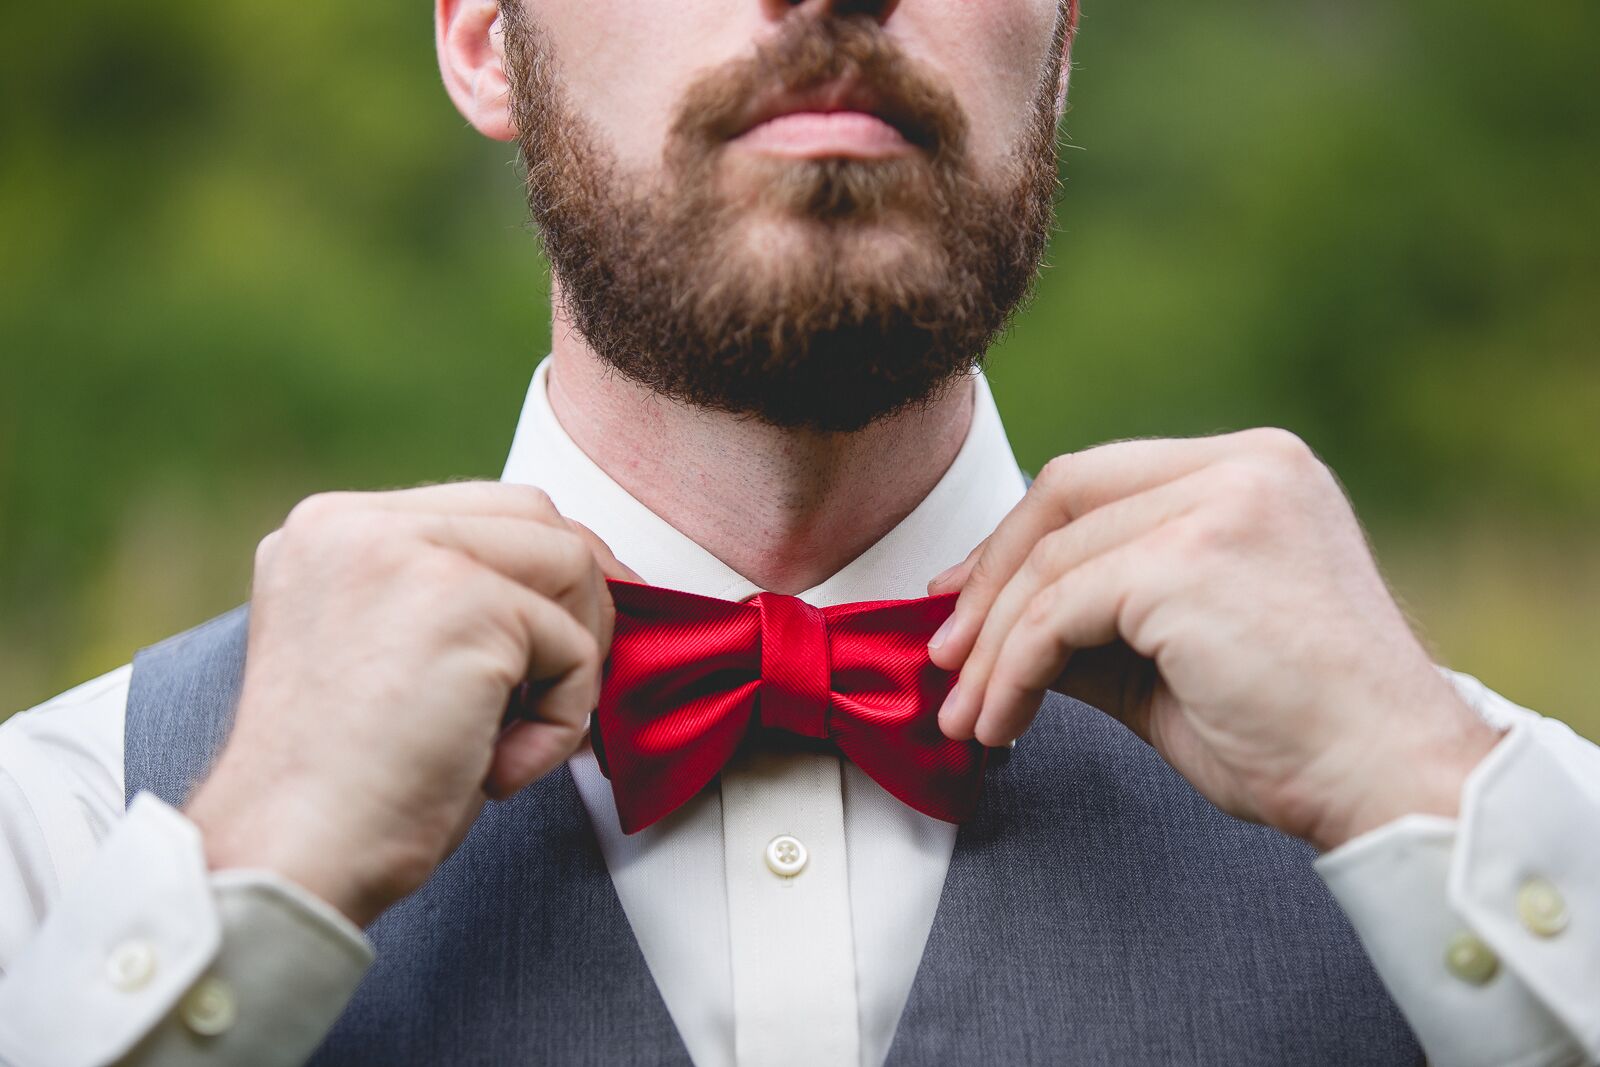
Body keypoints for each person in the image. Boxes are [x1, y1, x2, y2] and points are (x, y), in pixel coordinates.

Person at [0, 0, 1594, 1064]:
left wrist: (1436, 800)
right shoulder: (56, 836)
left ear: (1060, 43)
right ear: (486, 36)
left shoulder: (1507, 822)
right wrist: (240, 886)